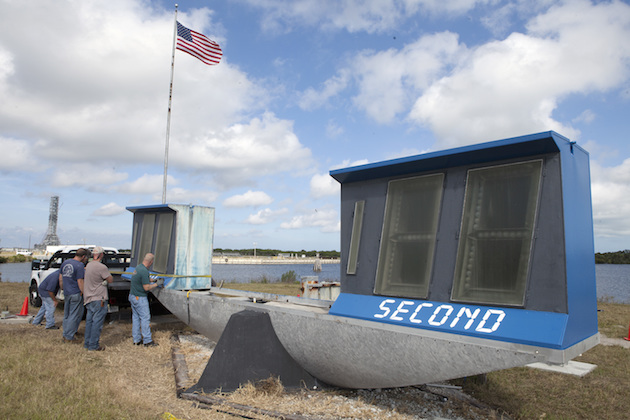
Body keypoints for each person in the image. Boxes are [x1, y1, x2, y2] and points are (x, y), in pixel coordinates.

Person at [83, 246, 113, 351]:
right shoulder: (102, 267)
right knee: (97, 323)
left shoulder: (88, 265)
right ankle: (93, 346)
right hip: (99, 298)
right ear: (100, 255)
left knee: (89, 322)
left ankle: (87, 343)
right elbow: (110, 279)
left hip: (88, 298)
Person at [129, 253, 159, 347]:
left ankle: (136, 340)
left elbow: (143, 278)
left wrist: (152, 280)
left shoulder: (139, 267)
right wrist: (157, 284)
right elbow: (146, 288)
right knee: (145, 318)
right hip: (140, 298)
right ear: (151, 262)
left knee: (136, 318)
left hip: (133, 296)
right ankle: (147, 341)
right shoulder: (144, 271)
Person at [60, 248, 89, 342]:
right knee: (74, 315)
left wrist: (62, 288)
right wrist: (84, 293)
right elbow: (80, 281)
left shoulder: (65, 263)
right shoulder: (79, 265)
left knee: (67, 314)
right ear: (83, 257)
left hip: (67, 292)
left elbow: (60, 278)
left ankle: (65, 333)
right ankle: (69, 336)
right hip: (75, 292)